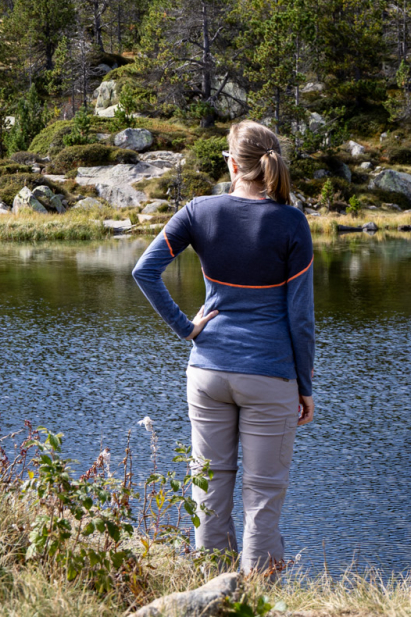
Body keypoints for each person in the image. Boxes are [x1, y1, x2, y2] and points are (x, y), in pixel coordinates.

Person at [131, 120, 315, 574]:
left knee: (207, 487)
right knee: (263, 494)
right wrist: (305, 386)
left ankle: (213, 592)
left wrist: (186, 329)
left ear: (233, 164)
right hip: (269, 374)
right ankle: (255, 600)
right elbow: (301, 318)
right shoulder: (292, 222)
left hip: (208, 369)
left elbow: (143, 271)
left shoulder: (199, 211)